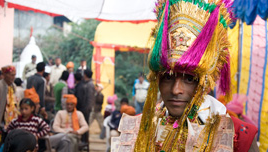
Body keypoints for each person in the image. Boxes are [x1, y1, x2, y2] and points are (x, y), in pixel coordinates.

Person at [112, 1, 259, 152]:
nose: (176, 90)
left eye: (189, 79)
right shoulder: (139, 130)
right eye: (168, 77)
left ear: (205, 81)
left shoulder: (238, 136)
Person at [75, 69, 95, 146]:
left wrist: (87, 108)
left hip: (86, 109)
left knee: (85, 125)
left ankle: (85, 142)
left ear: (85, 75)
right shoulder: (86, 83)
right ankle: (83, 140)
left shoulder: (89, 84)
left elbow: (90, 98)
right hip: (83, 108)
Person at [0, 65, 18, 131]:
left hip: (10, 119)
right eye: (11, 75)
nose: (13, 77)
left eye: (14, 75)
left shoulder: (13, 86)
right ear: (4, 75)